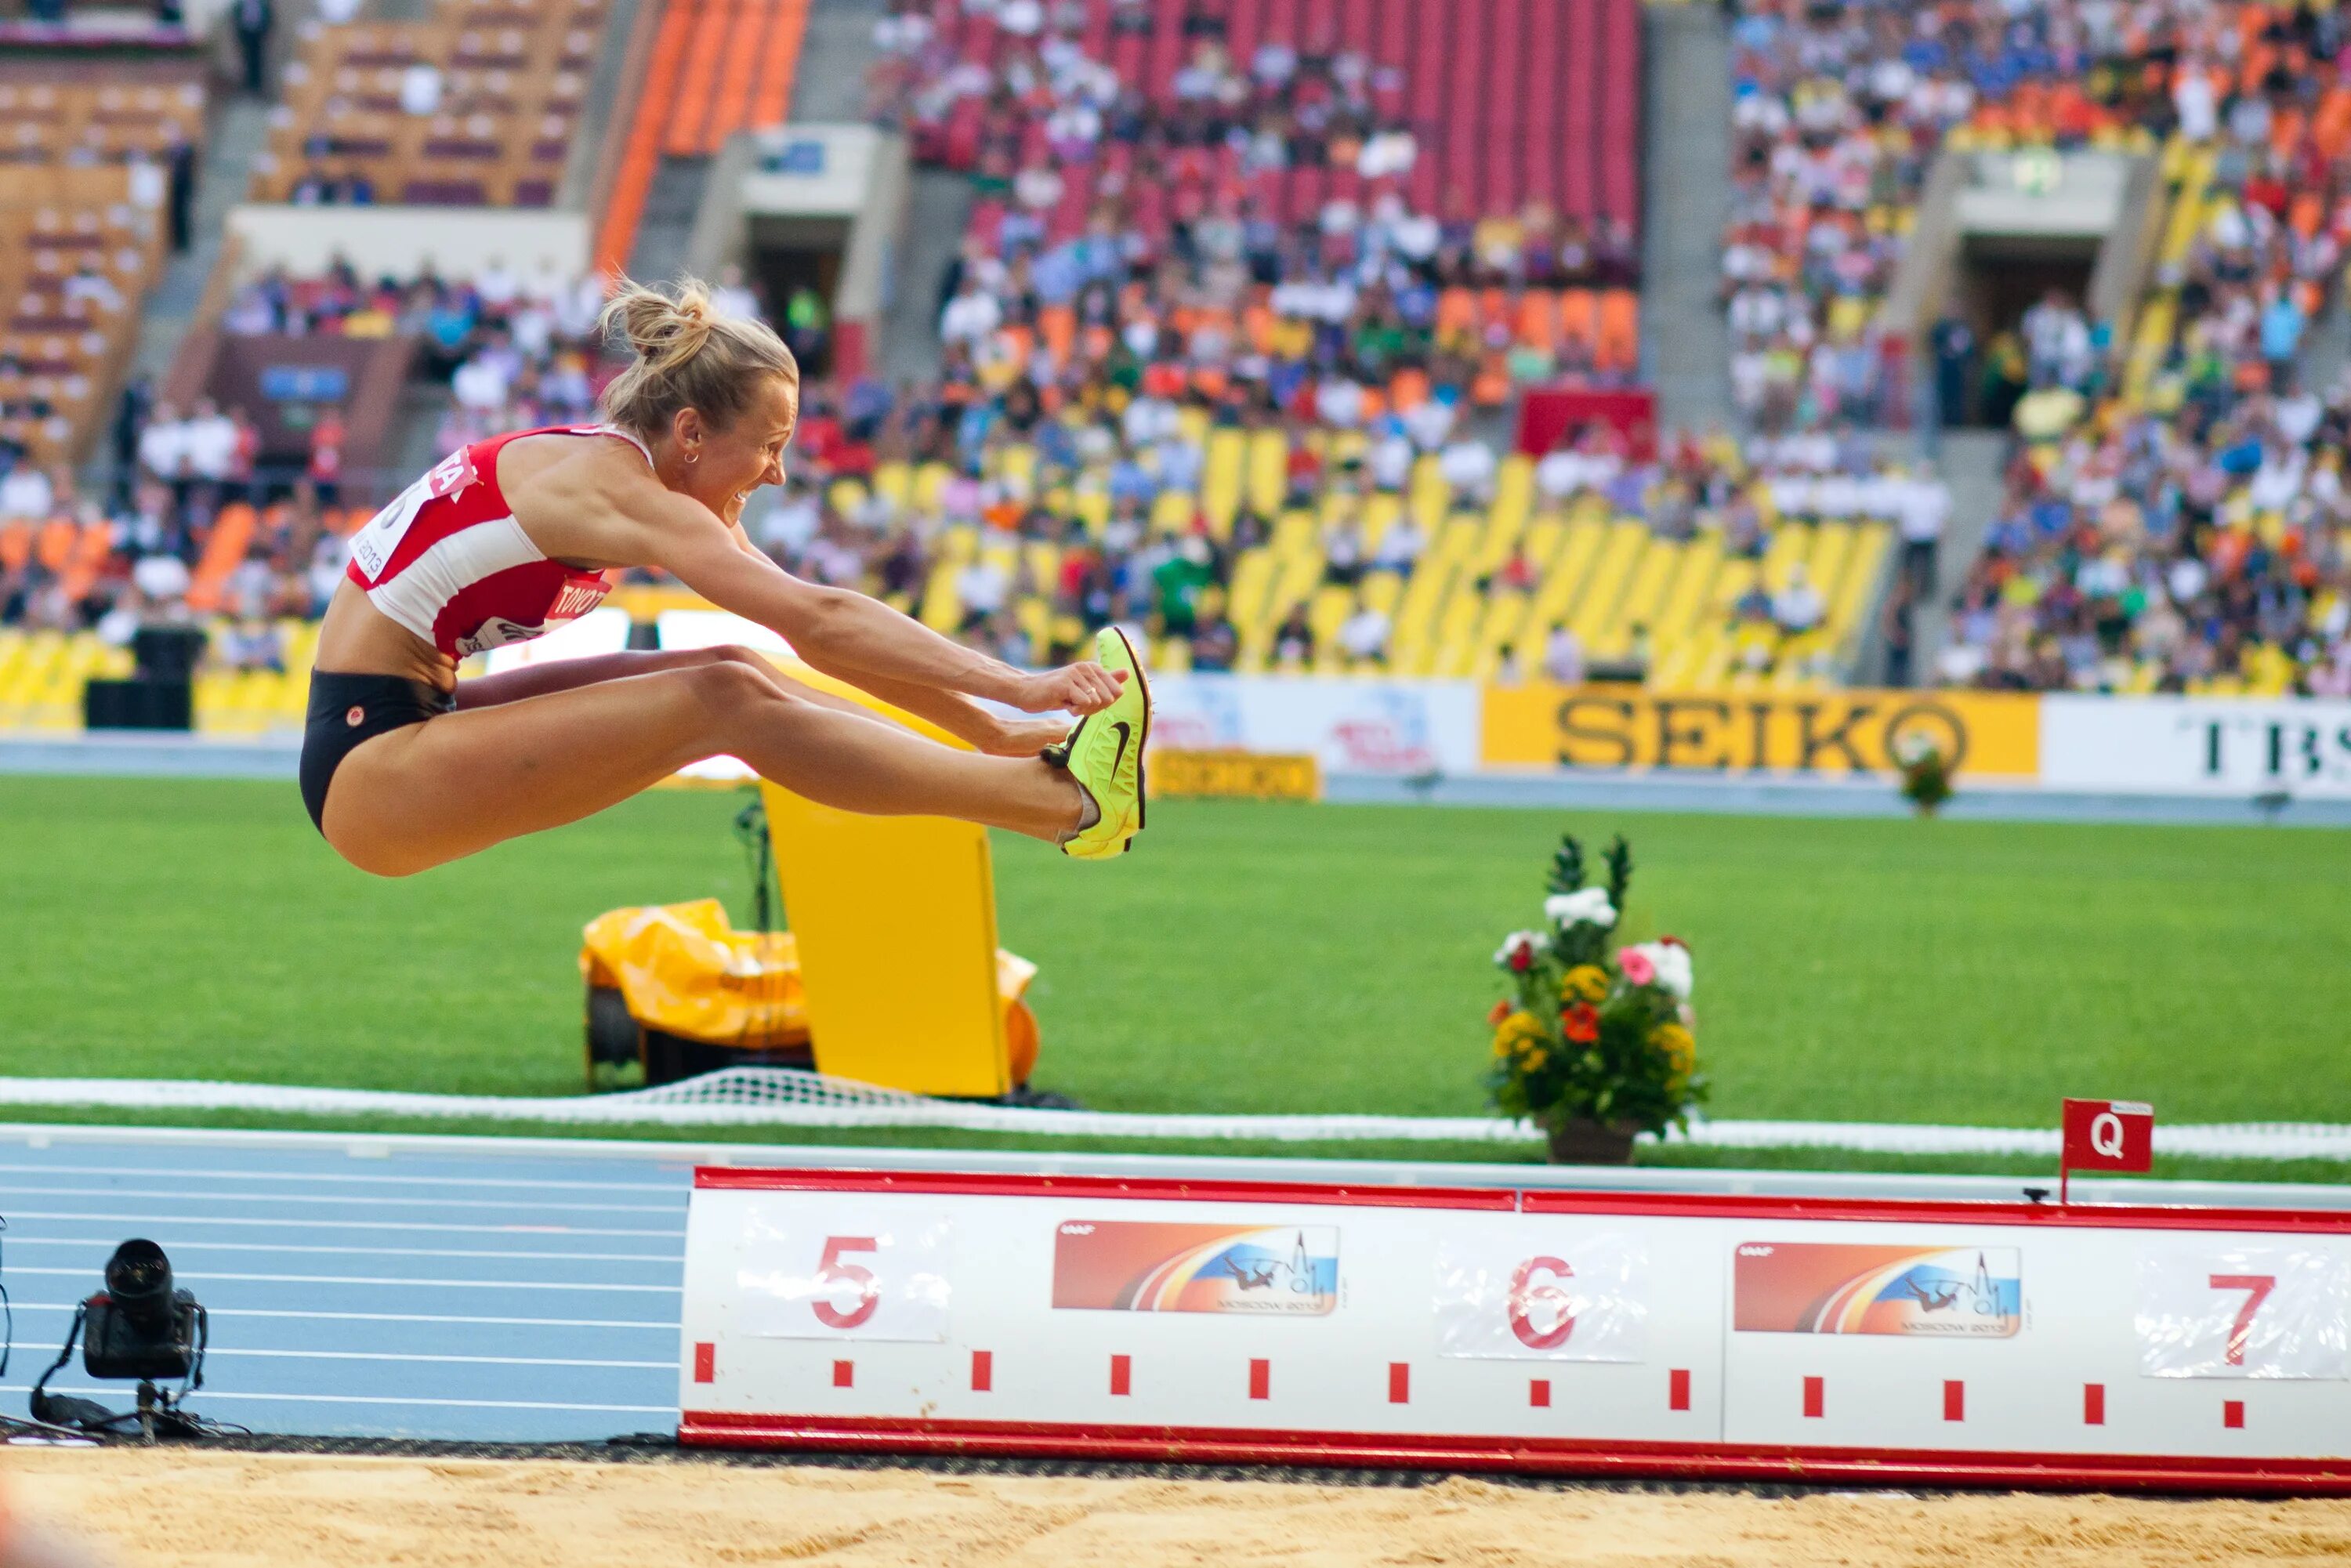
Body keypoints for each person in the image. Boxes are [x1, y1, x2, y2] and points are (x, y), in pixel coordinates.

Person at [300, 275, 1151, 876]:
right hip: (372, 769)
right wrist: (1022, 686)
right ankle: (1062, 807)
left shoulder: (621, 479)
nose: (777, 475)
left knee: (736, 672)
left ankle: (1029, 781)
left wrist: (992, 724)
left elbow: (815, 635)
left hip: (402, 724)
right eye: (772, 447)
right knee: (725, 702)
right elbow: (819, 617)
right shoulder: (611, 489)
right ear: (693, 432)